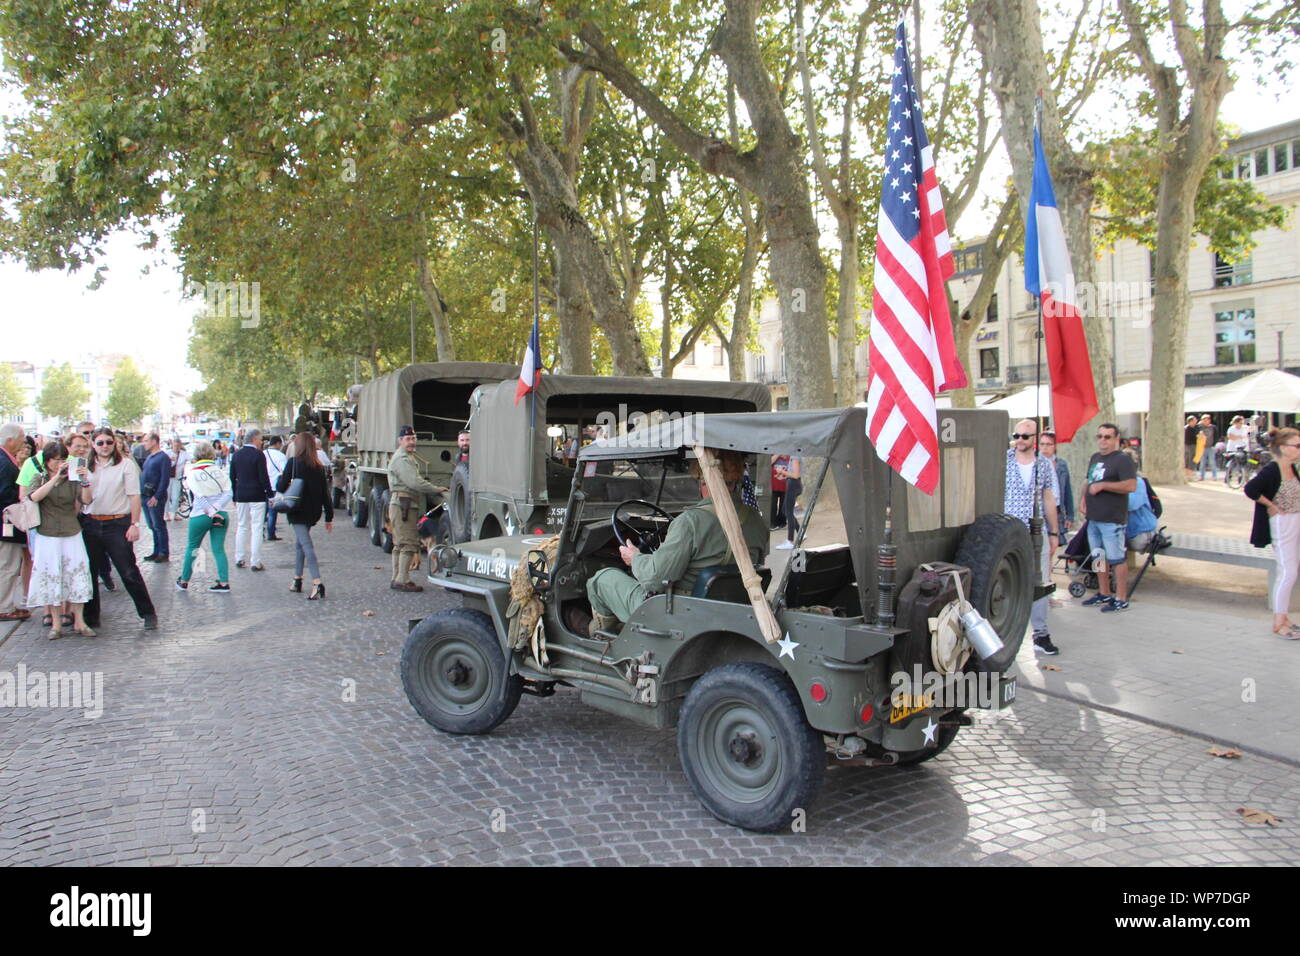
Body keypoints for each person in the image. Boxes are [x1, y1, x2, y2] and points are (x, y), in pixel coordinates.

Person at [586, 449, 768, 635]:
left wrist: (635, 559)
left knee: (602, 579)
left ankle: (603, 639)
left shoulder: (690, 522)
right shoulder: (756, 520)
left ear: (703, 480)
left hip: (677, 610)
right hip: (731, 607)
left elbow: (654, 579)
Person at [81, 427, 157, 630]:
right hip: (91, 522)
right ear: (93, 444)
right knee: (89, 573)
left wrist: (135, 524)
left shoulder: (125, 465)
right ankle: (91, 617)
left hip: (117, 523)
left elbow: (134, 495)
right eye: (100, 443)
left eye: (109, 442)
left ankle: (147, 613)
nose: (105, 446)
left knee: (128, 570)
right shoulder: (85, 466)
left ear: (114, 443)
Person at [25, 441, 95, 637]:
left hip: (71, 530)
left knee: (77, 573)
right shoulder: (39, 477)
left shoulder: (72, 479)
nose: (61, 463)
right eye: (56, 460)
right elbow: (34, 497)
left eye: (63, 459)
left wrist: (84, 480)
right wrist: (55, 478)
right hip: (47, 534)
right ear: (47, 461)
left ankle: (79, 621)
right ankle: (55, 623)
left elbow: (87, 500)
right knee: (51, 576)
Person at [1003, 420, 1060, 653]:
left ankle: (1040, 633)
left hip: (1037, 531)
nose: (1020, 439)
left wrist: (1055, 532)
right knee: (1006, 580)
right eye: (1017, 435)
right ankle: (1005, 632)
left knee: (1040, 581)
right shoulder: (1003, 459)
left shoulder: (1044, 464)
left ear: (1035, 438)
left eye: (1026, 436)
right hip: (1007, 530)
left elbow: (1048, 498)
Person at [1244, 427, 1300, 640]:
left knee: (1290, 569)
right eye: (1297, 446)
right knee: (1288, 571)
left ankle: (1283, 618)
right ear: (1283, 448)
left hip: (1294, 520)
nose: (1299, 449)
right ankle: (1279, 620)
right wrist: (1270, 505)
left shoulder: (1291, 468)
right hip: (1283, 522)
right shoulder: (1272, 469)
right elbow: (1251, 489)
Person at [1079, 423, 1139, 613]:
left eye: (1107, 437)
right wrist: (1083, 499)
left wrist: (1105, 485)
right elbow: (1089, 480)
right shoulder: (1095, 458)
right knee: (1099, 556)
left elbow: (1131, 485)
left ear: (1116, 439)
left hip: (1112, 518)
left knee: (1116, 558)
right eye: (1100, 436)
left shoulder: (1122, 460)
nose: (1103, 440)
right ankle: (1103, 592)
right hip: (1094, 516)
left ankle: (1121, 597)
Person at [387, 424, 447, 592]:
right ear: (400, 441)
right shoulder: (402, 459)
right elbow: (414, 482)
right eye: (408, 439)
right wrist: (435, 489)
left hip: (403, 503)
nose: (411, 441)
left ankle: (397, 577)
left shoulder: (406, 456)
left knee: (399, 544)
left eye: (413, 438)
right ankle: (402, 579)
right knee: (408, 543)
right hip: (404, 504)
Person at [277, 430, 334, 600]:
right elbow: (326, 494)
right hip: (313, 511)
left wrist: (282, 477)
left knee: (306, 545)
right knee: (300, 544)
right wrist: (328, 516)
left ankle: (317, 582)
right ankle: (297, 579)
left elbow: (280, 487)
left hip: (297, 510)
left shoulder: (293, 463)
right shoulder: (318, 467)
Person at [176, 441, 232, 593]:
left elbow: (198, 496)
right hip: (221, 514)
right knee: (219, 549)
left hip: (200, 516)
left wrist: (209, 510)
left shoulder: (192, 473)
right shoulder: (220, 471)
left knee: (192, 548)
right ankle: (223, 582)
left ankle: (184, 580)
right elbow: (229, 493)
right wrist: (216, 509)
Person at [229, 428, 272, 571]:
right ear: (254, 439)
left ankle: (239, 558)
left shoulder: (236, 455)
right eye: (260, 439)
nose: (261, 442)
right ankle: (255, 561)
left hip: (241, 494)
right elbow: (263, 477)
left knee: (242, 526)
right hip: (257, 495)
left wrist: (234, 495)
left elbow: (232, 477)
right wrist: (270, 493)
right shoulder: (259, 455)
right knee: (257, 528)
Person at [0, 423, 31, 622]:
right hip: (6, 521)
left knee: (7, 564)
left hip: (6, 521)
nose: (23, 441)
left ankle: (6, 604)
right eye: (21, 437)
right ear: (10, 440)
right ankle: (4, 607)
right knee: (8, 565)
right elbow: (4, 493)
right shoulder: (4, 462)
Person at [139, 433, 172, 562]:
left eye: (146, 441)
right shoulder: (149, 458)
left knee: (158, 525)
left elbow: (165, 479)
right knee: (152, 525)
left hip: (154, 497)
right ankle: (156, 550)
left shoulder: (163, 458)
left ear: (154, 441)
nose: (144, 443)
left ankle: (163, 552)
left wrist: (157, 496)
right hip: (145, 496)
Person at [1039, 431, 1073, 547]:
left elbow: (1067, 490)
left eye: (1049, 444)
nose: (1045, 448)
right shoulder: (1035, 463)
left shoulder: (1061, 464)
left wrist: (1070, 515)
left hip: (1057, 509)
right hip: (1040, 510)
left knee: (1054, 546)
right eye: (1042, 444)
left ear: (1055, 446)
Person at [773, 456, 802, 549]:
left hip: (793, 485)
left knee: (788, 511)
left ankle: (790, 541)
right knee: (785, 510)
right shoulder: (794, 456)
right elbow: (793, 474)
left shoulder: (795, 456)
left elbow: (796, 475)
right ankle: (801, 532)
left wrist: (781, 471)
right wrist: (784, 477)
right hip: (793, 483)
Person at [263, 435, 288, 541]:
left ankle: (259, 532)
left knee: (262, 511)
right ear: (277, 443)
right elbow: (285, 471)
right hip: (274, 486)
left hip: (263, 486)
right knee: (273, 511)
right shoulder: (280, 456)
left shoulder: (262, 454)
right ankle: (271, 533)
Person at [168, 438, 191, 521]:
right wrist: (169, 460)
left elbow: (192, 459)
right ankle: (166, 513)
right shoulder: (167, 453)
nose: (176, 448)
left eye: (178, 446)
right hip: (167, 478)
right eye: (175, 446)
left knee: (176, 497)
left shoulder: (183, 454)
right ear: (172, 445)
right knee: (166, 496)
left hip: (177, 478)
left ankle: (174, 513)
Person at [1195, 414, 1218, 481]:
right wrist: (1199, 424)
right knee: (1202, 462)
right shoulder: (1199, 427)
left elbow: (1216, 436)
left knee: (1212, 462)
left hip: (1211, 447)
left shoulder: (1213, 427)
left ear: (1209, 420)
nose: (1205, 421)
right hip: (1202, 447)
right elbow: (1195, 431)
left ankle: (1214, 476)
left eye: (1207, 420)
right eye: (1204, 420)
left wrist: (1214, 444)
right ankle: (1201, 476)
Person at [770, 455, 788, 530]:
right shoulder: (774, 455)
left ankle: (782, 522)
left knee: (783, 506)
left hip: (786, 486)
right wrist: (778, 454)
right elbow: (770, 462)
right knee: (772, 505)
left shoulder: (790, 457)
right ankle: (772, 523)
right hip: (773, 486)